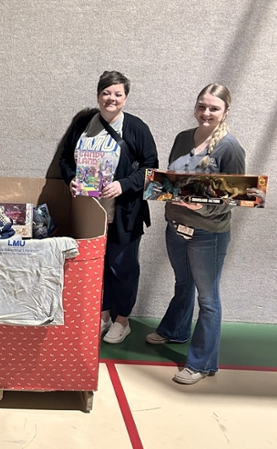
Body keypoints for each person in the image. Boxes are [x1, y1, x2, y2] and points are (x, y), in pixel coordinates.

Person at [146, 84, 245, 385]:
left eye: (214, 108)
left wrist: (200, 208)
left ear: (225, 112)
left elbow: (235, 199)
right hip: (175, 225)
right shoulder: (181, 138)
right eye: (202, 106)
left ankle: (202, 363)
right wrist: (168, 194)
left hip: (208, 234)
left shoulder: (230, 148)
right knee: (183, 282)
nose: (206, 113)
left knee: (208, 298)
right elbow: (172, 179)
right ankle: (175, 330)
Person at [59, 70, 159, 344]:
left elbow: (151, 169)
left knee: (123, 267)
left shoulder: (136, 127)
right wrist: (71, 180)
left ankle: (122, 320)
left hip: (123, 213)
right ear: (98, 95)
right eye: (106, 93)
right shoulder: (83, 124)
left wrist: (124, 184)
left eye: (118, 94)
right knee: (93, 268)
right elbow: (66, 160)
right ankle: (101, 314)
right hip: (89, 212)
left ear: (125, 98)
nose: (111, 99)